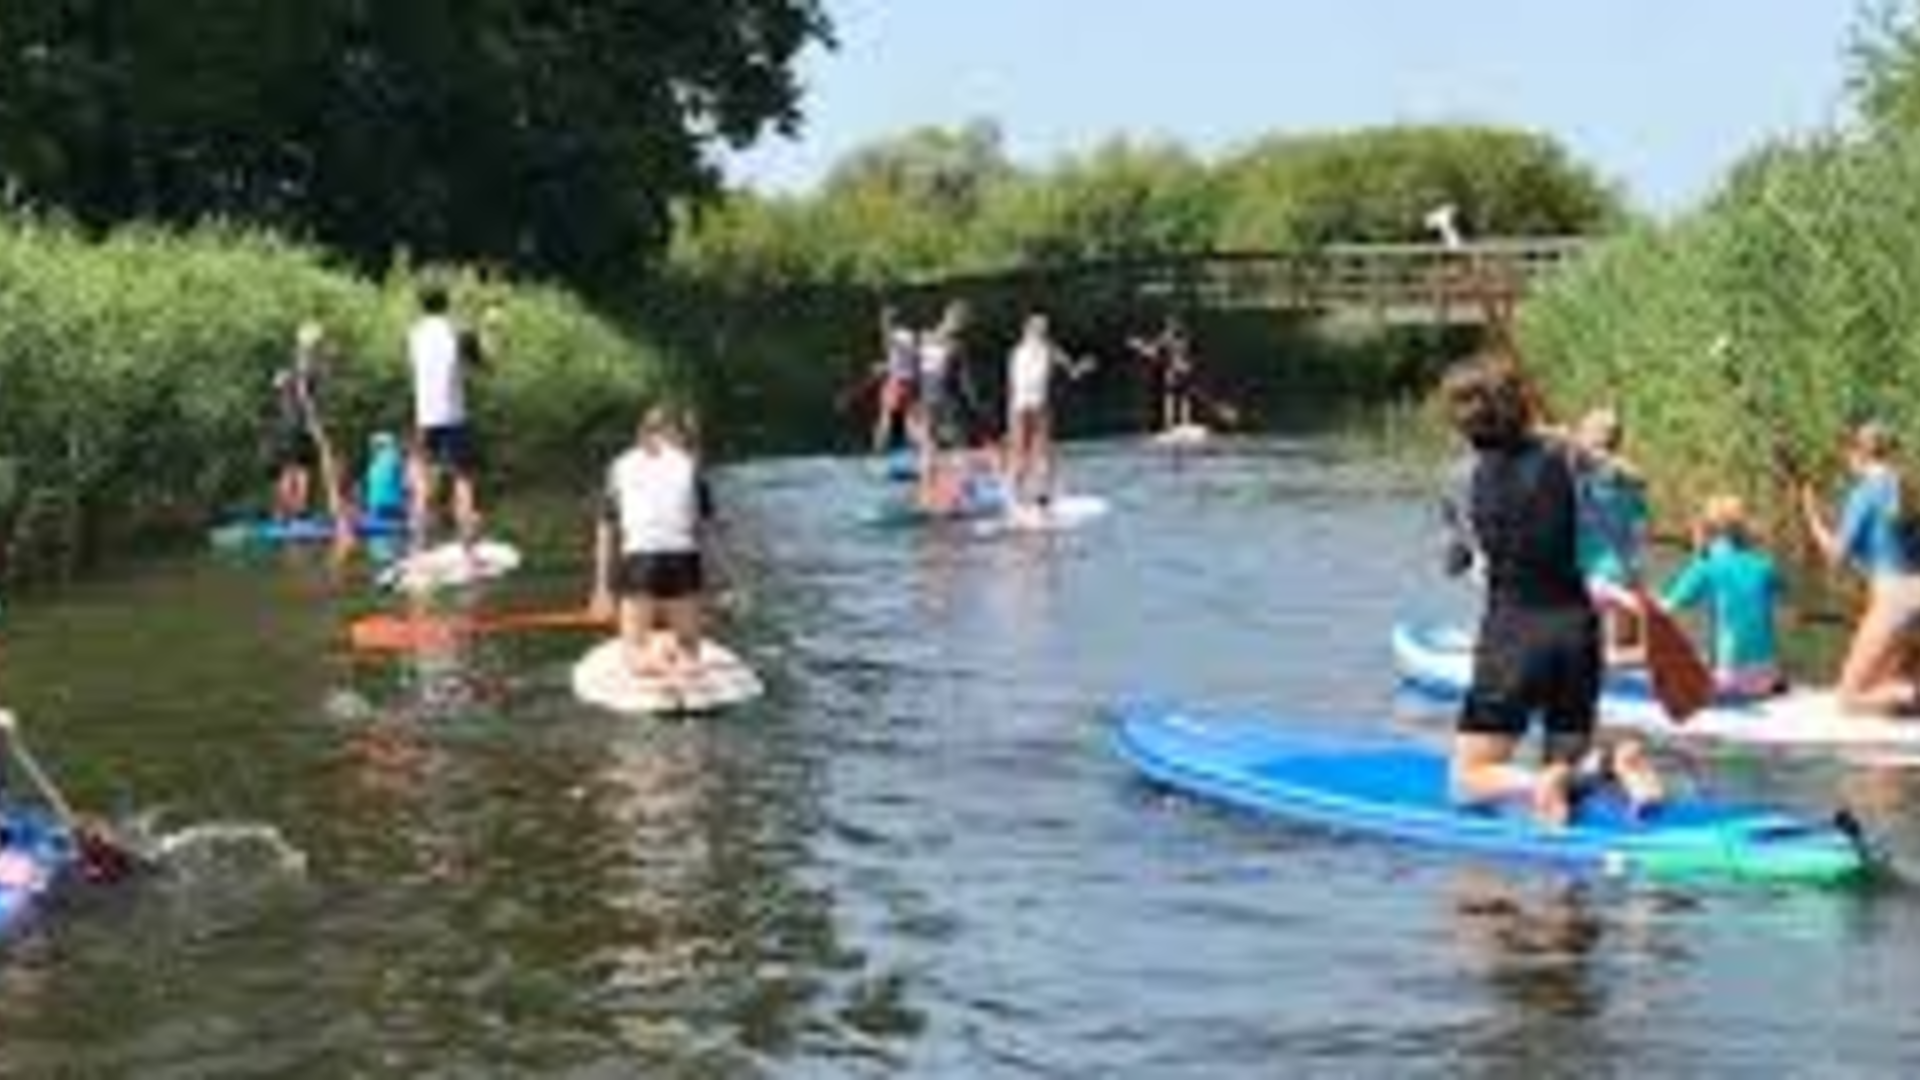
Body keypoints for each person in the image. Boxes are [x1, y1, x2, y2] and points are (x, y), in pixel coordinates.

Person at [1438, 357, 1663, 826]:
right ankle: (1611, 760)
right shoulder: (1566, 457)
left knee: (1467, 780)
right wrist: (1567, 441)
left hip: (1514, 634)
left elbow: (1454, 561)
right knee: (1564, 765)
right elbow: (1629, 478)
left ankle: (1536, 784)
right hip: (1578, 631)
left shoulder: (1459, 477)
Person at [1801, 421, 1920, 715]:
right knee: (1889, 681)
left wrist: (1811, 515)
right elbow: (1892, 551)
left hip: (1896, 602)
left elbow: (1836, 557)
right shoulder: (1908, 487)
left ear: (1857, 454)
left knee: (1848, 701)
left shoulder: (1866, 492)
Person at [589, 406, 714, 682]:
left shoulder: (618, 465)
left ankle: (650, 659)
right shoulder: (692, 466)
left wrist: (602, 588)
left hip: (638, 562)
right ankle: (682, 661)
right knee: (689, 647)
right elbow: (703, 530)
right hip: (682, 561)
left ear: (643, 433)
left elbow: (606, 529)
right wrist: (709, 586)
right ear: (676, 434)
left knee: (632, 651)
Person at [1660, 495, 1786, 699]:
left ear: (1705, 531)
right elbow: (1781, 596)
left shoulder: (1705, 566)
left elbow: (1665, 608)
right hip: (1769, 676)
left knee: (1684, 657)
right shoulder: (1765, 565)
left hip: (1729, 679)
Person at [406, 283, 483, 546]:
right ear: (446, 303)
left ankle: (417, 543)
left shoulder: (413, 333)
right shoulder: (457, 331)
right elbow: (480, 362)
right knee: (463, 478)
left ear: (421, 305)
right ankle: (468, 544)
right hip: (453, 418)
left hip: (423, 419)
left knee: (422, 479)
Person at [1570, 407, 1651, 659]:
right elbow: (1639, 527)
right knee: (1621, 642)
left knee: (1594, 644)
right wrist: (1636, 566)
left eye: (1582, 430)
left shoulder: (1582, 470)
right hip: (1623, 566)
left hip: (1590, 569)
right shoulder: (1631, 478)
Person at [1005, 311, 1093, 508]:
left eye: (1043, 327)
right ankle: (1039, 494)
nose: (1043, 331)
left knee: (1023, 450)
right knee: (1039, 449)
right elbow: (1072, 372)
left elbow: (1011, 383)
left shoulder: (1017, 350)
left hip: (1022, 404)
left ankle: (1019, 496)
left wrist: (1009, 411)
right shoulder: (1049, 349)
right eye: (1041, 327)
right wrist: (1083, 367)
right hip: (1035, 404)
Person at [270, 320, 340, 521]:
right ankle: (293, 511)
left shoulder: (294, 362)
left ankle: (289, 512)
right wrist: (312, 419)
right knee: (298, 467)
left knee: (295, 465)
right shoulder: (304, 361)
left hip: (289, 421)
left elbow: (279, 384)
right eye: (319, 341)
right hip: (299, 421)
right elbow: (302, 392)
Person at [1128, 316, 1199, 432]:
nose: (1168, 330)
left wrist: (1141, 346)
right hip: (1171, 373)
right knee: (1169, 398)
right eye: (1167, 327)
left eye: (1171, 326)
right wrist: (1139, 347)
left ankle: (1184, 423)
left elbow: (1183, 354)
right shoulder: (1164, 339)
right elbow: (1153, 352)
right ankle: (1169, 425)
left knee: (1183, 398)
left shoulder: (1181, 339)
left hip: (1182, 372)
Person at [871, 307, 920, 455]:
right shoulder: (910, 336)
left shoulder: (898, 336)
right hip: (909, 383)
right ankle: (920, 449)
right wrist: (886, 366)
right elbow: (902, 358)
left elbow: (891, 346)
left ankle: (877, 452)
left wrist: (883, 322)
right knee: (909, 420)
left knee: (886, 418)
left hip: (897, 382)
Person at [362, 432, 409, 525]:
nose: (373, 448)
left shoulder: (375, 463)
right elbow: (405, 484)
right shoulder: (393, 458)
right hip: (390, 505)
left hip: (379, 505)